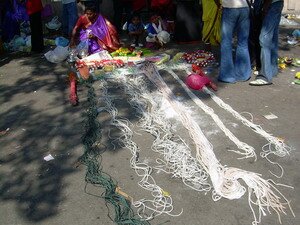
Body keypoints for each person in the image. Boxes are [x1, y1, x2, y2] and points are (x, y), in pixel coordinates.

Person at [249, 0, 284, 86]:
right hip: (275, 3)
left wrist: (265, 6)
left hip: (271, 4)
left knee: (264, 39)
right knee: (272, 38)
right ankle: (272, 69)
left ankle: (265, 76)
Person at [218, 0, 251, 83]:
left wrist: (219, 4)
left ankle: (227, 76)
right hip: (244, 7)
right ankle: (243, 74)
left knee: (226, 42)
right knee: (243, 42)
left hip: (229, 7)